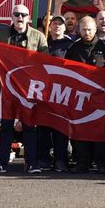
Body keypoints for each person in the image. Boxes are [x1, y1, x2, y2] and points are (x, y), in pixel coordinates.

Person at [0, 4, 48, 174]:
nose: (20, 17)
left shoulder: (38, 36)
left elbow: (46, 62)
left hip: (29, 89)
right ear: (12, 17)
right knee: (6, 126)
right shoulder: (1, 35)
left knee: (29, 126)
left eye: (23, 15)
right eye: (17, 14)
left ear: (29, 17)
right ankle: (1, 163)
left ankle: (31, 163)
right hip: (7, 88)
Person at [65, 16, 105, 173]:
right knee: (80, 129)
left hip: (99, 97)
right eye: (84, 29)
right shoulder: (73, 49)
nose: (87, 32)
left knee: (99, 130)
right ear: (79, 30)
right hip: (79, 96)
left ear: (95, 29)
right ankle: (82, 162)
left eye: (89, 29)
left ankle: (101, 162)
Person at [41, 14, 73, 171]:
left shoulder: (70, 44)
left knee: (61, 127)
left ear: (65, 27)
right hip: (44, 91)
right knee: (44, 125)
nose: (57, 26)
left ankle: (61, 159)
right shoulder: (43, 42)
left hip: (63, 91)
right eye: (54, 23)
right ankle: (44, 159)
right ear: (49, 26)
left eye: (60, 23)